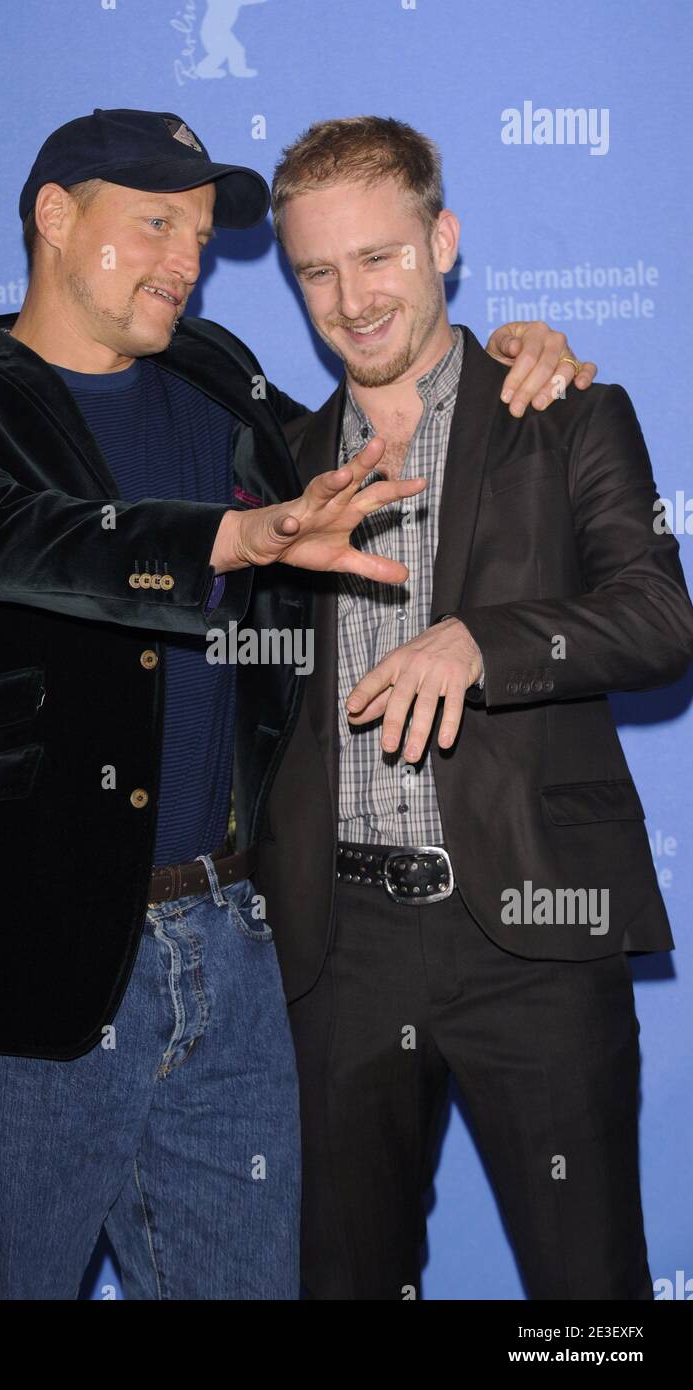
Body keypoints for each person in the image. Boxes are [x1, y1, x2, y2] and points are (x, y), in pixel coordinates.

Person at [0, 106, 592, 1301]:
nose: (188, 259)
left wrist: (505, 362)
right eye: (156, 224)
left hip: (233, 957)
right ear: (53, 216)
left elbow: (371, 432)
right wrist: (229, 537)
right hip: (18, 953)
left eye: (200, 234)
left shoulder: (216, 371)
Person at [256, 114, 693, 1300]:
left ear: (441, 241)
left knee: (587, 1296)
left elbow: (661, 617)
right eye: (316, 270)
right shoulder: (274, 469)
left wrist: (483, 644)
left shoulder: (563, 413)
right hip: (335, 952)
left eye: (378, 256)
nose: (350, 298)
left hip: (534, 935)